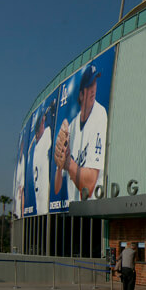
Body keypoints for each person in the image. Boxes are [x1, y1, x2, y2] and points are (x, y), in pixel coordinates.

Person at [54, 63, 107, 202]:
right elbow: (56, 188)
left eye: (95, 83)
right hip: (74, 209)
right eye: (89, 85)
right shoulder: (72, 127)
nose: (93, 89)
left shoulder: (100, 114)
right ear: (81, 94)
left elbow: (89, 187)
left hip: (95, 209)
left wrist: (68, 163)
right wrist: (59, 167)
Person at [31, 107, 52, 215]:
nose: (44, 126)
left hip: (40, 200)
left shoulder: (35, 151)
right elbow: (49, 130)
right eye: (42, 124)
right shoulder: (42, 142)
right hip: (44, 197)